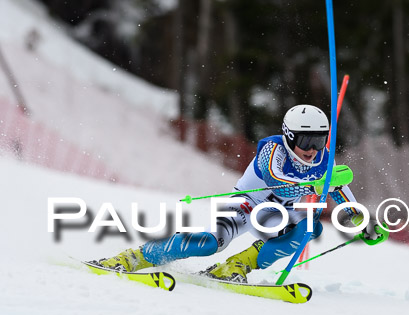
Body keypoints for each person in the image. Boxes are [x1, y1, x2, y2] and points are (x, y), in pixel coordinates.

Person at [94, 104, 387, 283]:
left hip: (280, 214)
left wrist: (362, 224)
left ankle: (237, 266)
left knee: (308, 227)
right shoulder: (272, 149)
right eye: (306, 140)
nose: (312, 149)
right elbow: (277, 180)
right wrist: (318, 183)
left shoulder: (324, 159)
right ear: (289, 136)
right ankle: (139, 256)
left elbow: (343, 194)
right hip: (248, 204)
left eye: (319, 140)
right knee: (210, 243)